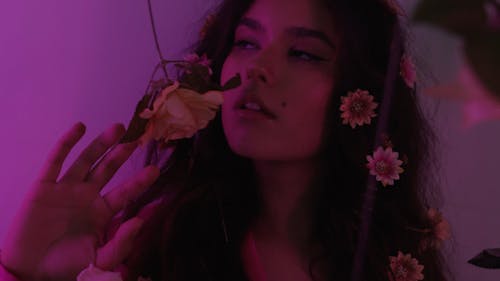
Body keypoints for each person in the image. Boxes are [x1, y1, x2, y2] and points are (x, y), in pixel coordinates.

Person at [0, 0, 451, 280]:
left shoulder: (395, 259)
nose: (256, 69)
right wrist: (23, 273)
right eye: (247, 43)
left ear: (363, 96)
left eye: (302, 53)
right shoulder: (142, 247)